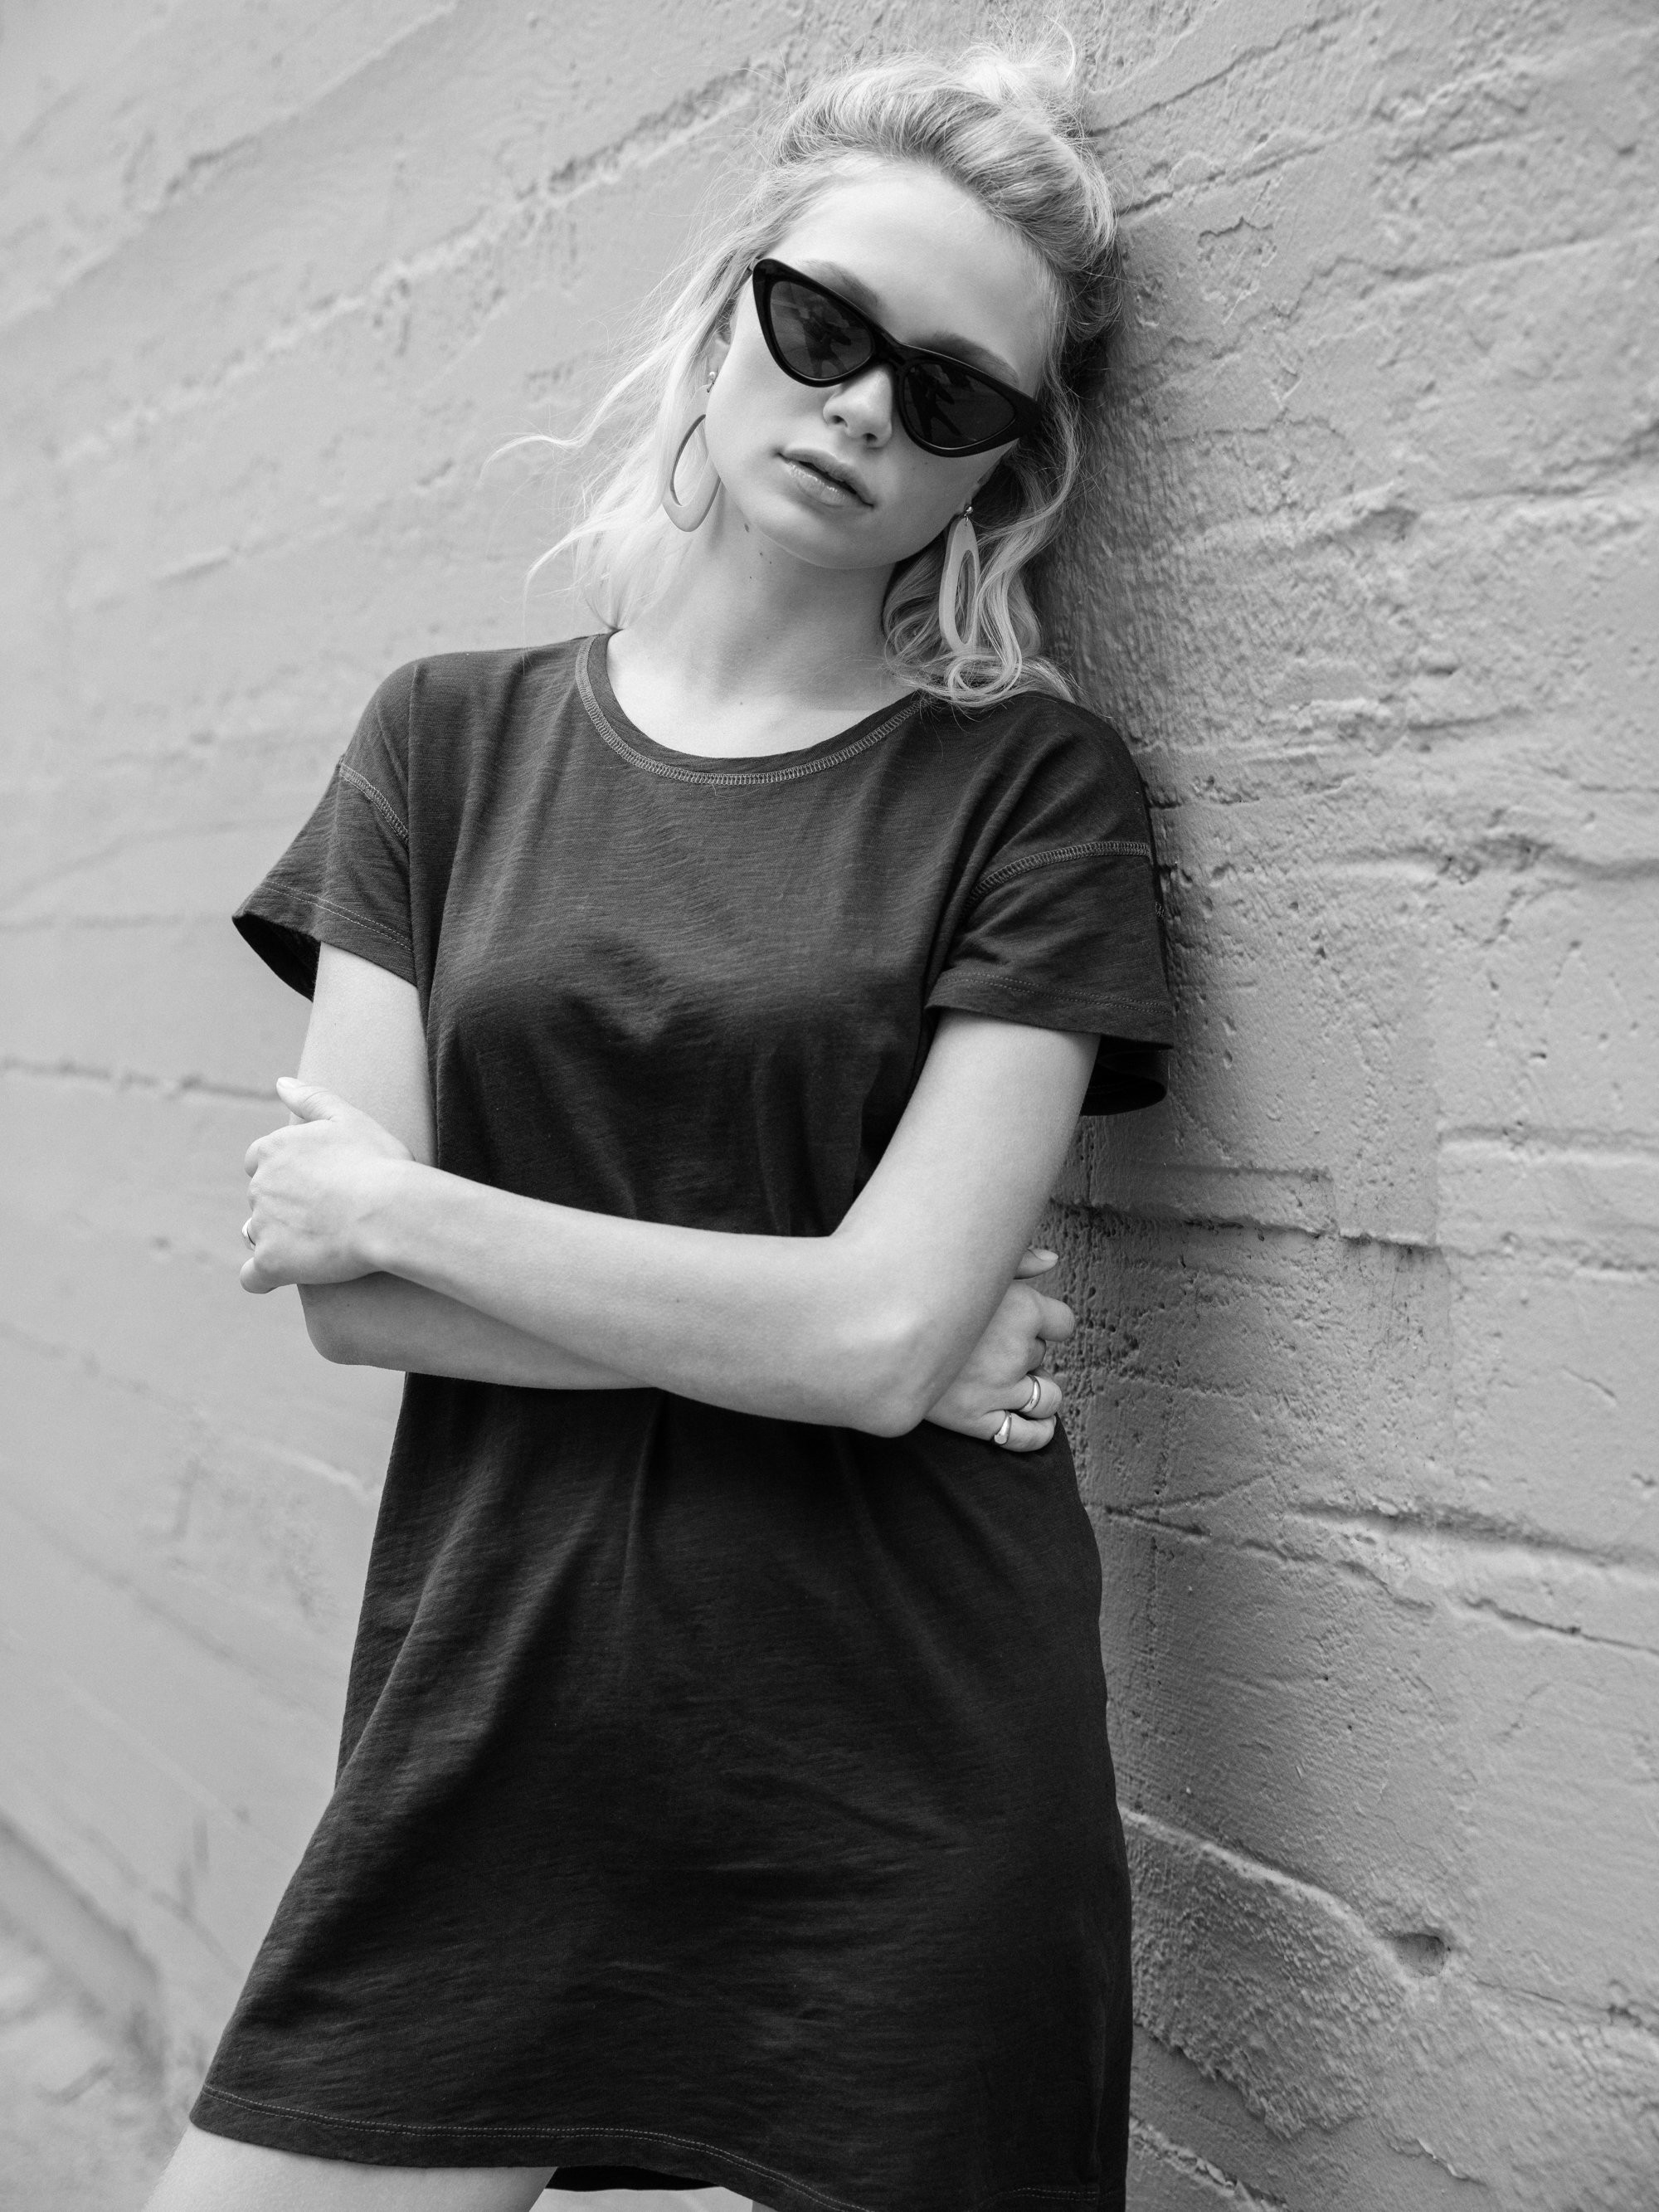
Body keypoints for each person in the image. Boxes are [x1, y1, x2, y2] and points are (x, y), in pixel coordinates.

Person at [144, 41, 1174, 2212]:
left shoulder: (1034, 794)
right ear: (725, 311)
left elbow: (873, 1341)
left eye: (950, 395)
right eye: (822, 325)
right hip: (496, 1711)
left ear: (998, 471)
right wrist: (820, 1330)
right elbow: (349, 1308)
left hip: (896, 1774)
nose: (864, 409)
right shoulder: (443, 743)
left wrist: (410, 1204)